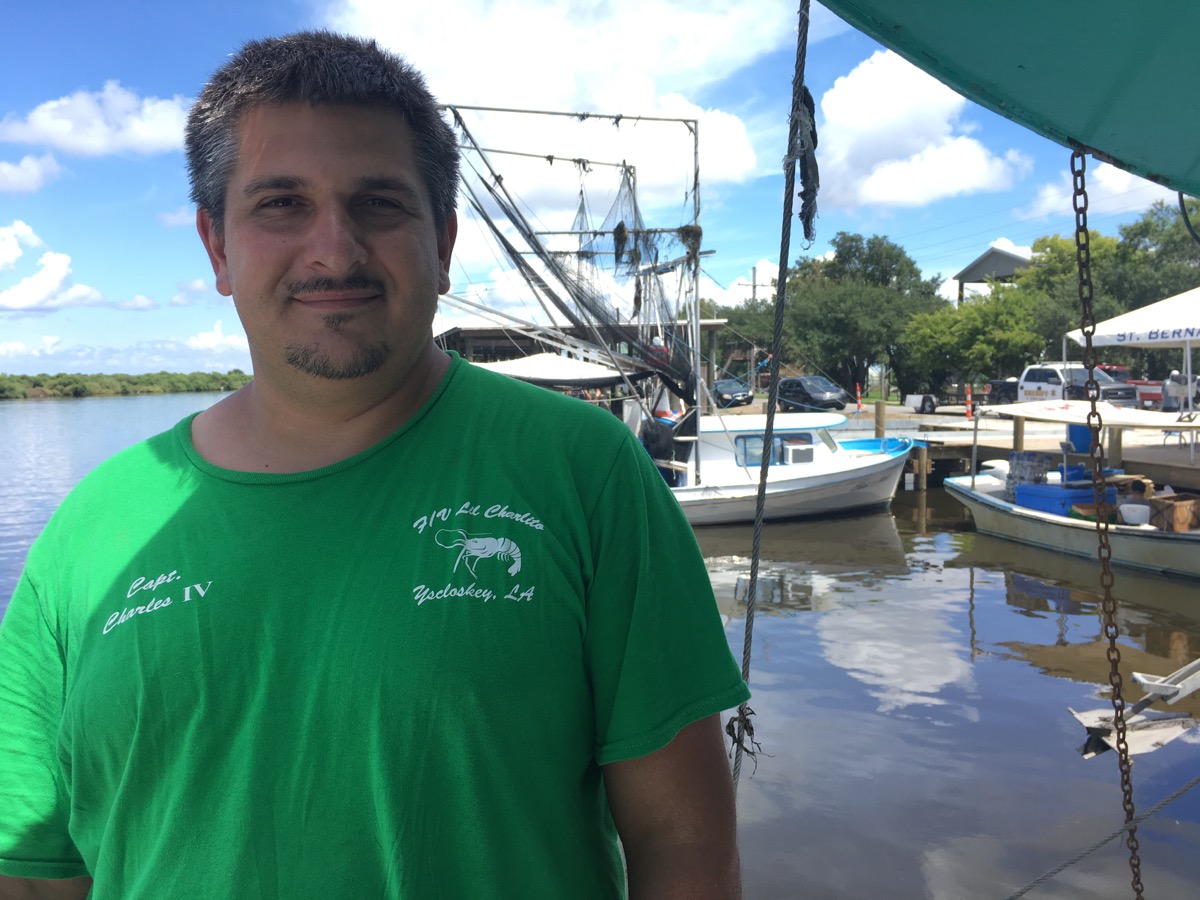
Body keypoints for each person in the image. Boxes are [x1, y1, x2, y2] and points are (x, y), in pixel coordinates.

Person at [0, 32, 749, 900]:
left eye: (379, 203)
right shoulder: (91, 527)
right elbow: (34, 873)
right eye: (281, 203)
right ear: (216, 247)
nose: (334, 249)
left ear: (442, 242)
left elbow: (684, 846)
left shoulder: (585, 471)